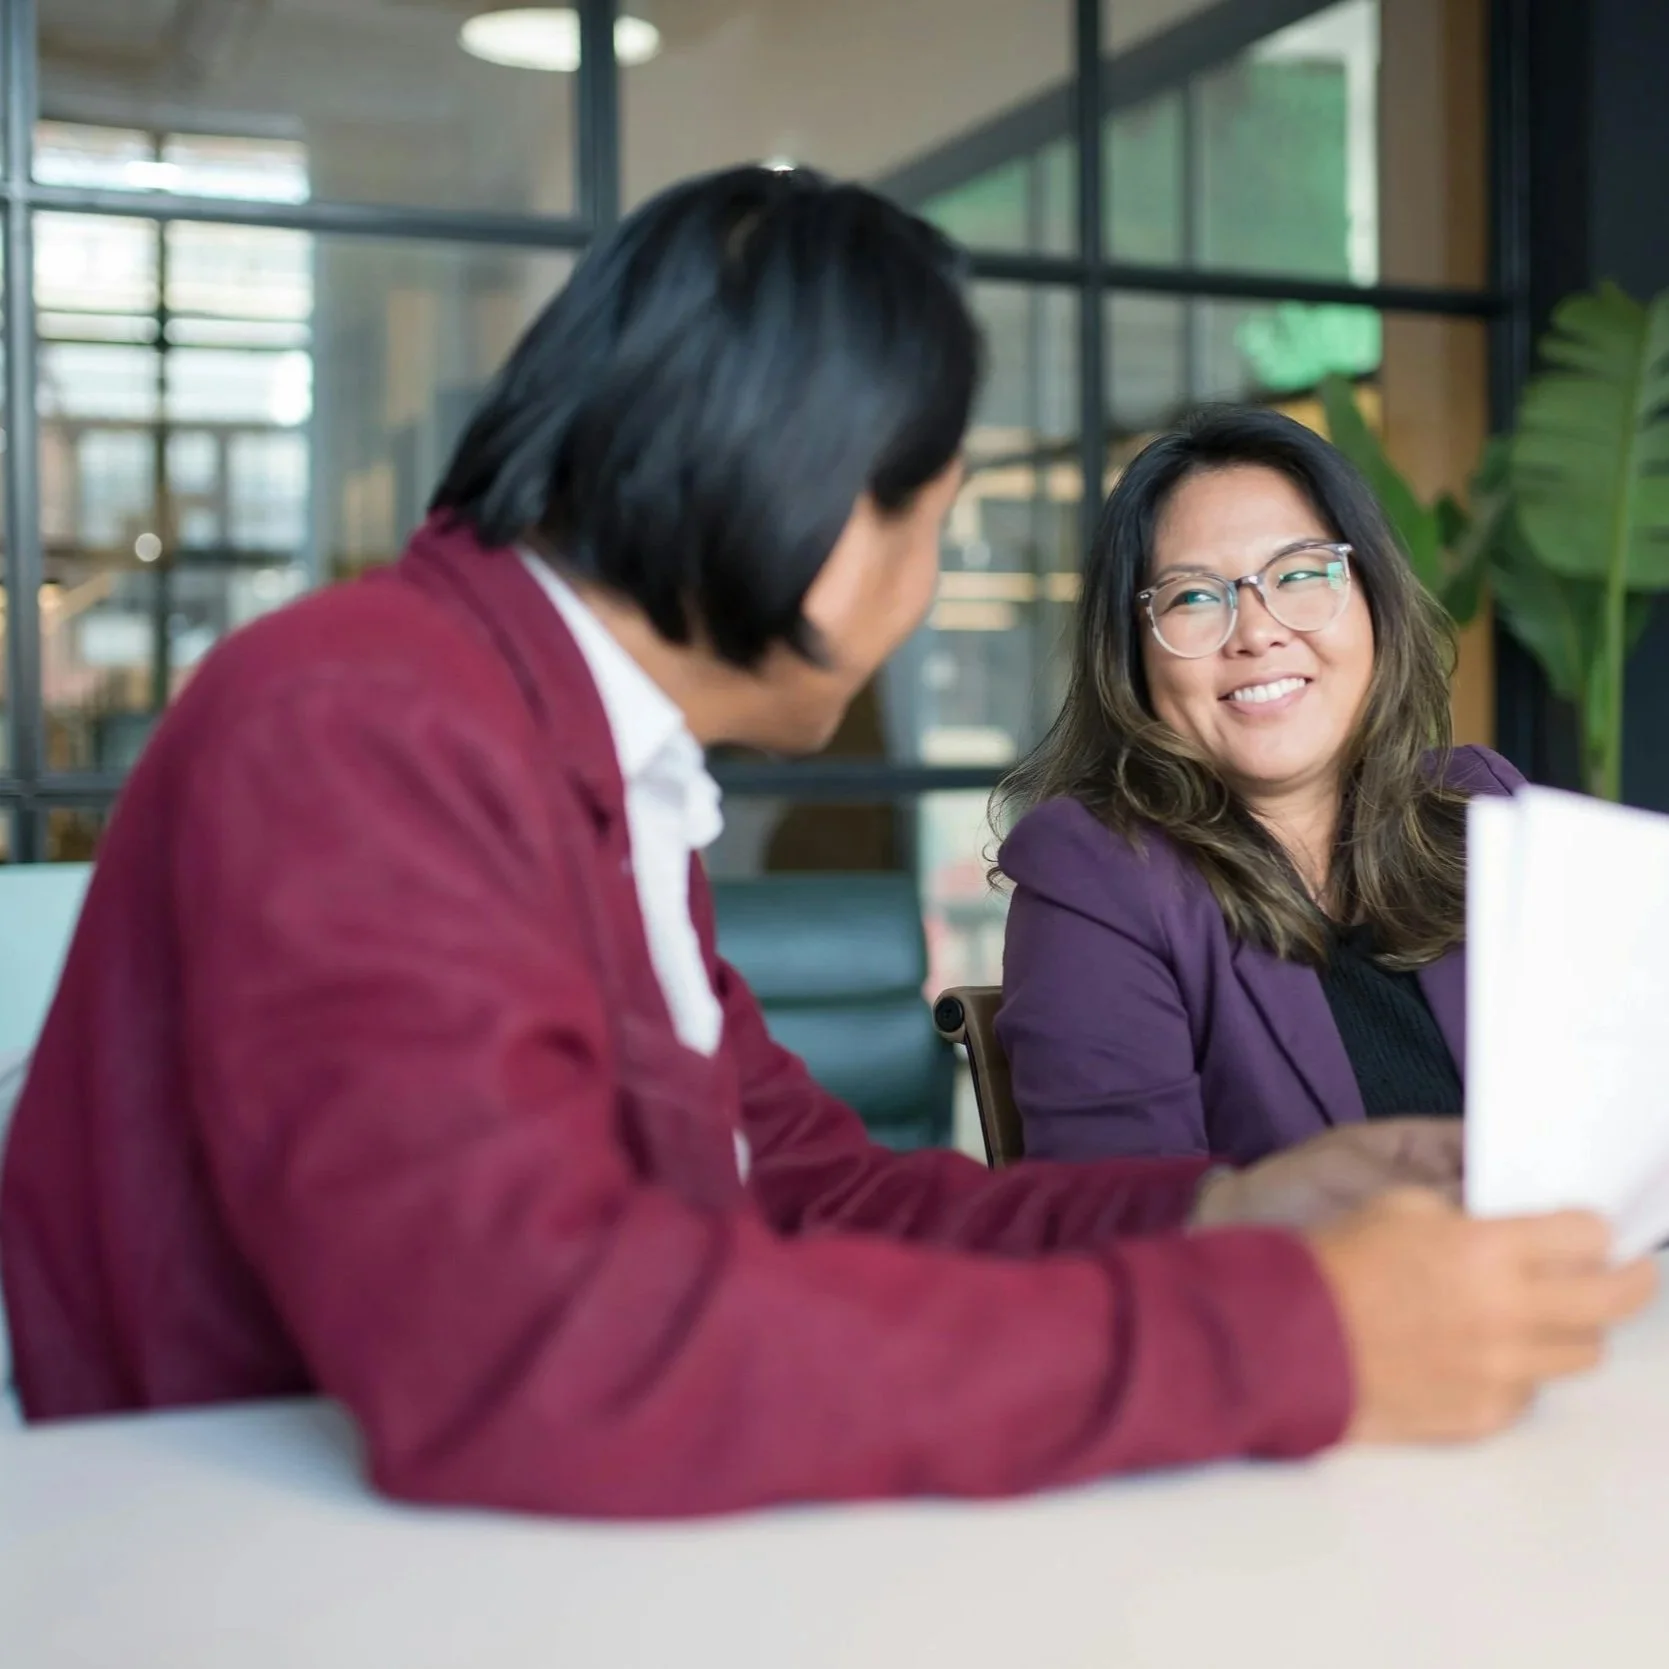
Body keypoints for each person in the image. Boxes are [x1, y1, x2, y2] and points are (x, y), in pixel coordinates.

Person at [0, 170, 1651, 1519]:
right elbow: (533, 1355)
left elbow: (817, 1196)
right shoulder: (362, 720)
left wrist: (1233, 1207)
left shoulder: (583, 760)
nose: (926, 587)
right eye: (933, 516)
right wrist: (1298, 1330)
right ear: (817, 520)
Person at [996, 408, 1523, 1166]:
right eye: (1193, 597)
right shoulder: (1095, 876)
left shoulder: (1479, 812)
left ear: (1374, 598)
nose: (1256, 631)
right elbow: (1126, 1225)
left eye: (1300, 575)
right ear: (1132, 655)